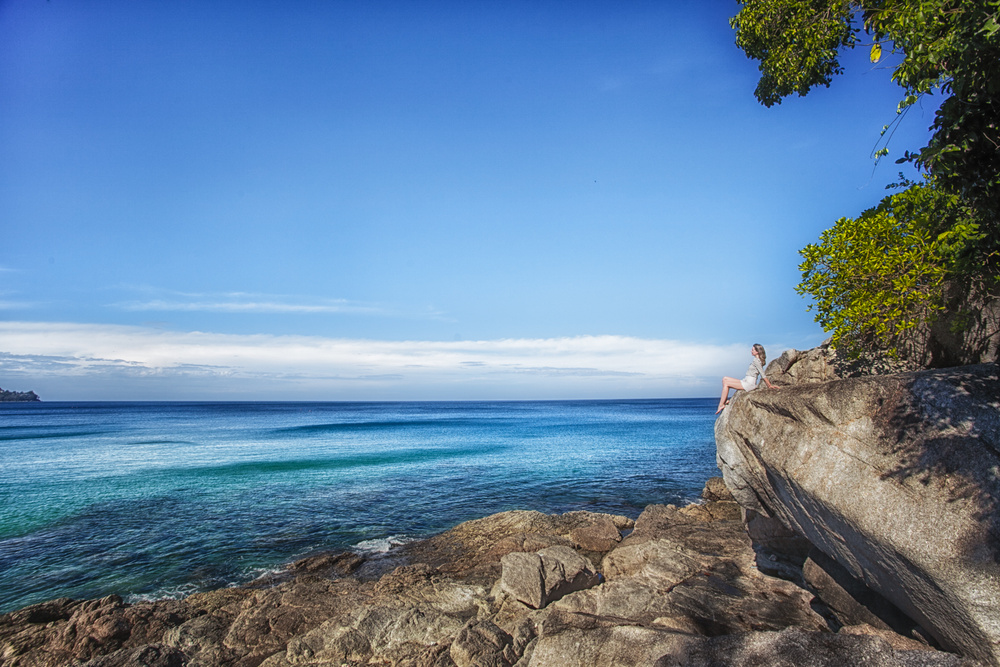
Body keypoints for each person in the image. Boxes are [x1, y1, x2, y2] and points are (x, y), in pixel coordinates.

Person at [715, 343, 776, 414]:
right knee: (725, 378)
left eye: (752, 350)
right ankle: (724, 401)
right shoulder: (756, 360)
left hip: (749, 384)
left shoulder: (756, 361)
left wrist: (769, 385)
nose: (751, 351)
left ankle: (721, 405)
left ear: (757, 352)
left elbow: (763, 374)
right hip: (745, 380)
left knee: (726, 384)